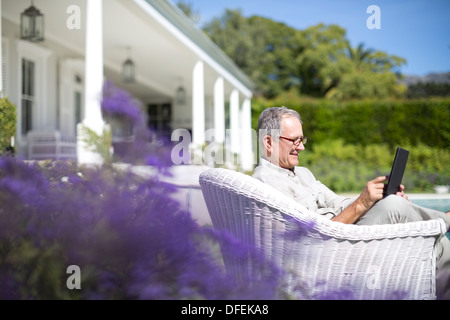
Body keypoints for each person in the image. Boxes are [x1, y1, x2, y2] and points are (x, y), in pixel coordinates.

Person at [253, 106, 450, 299]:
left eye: (302, 139)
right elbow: (311, 235)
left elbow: (338, 202)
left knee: (432, 238)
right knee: (394, 208)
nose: (302, 147)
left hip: (344, 235)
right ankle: (445, 221)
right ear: (269, 142)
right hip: (329, 251)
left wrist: (375, 198)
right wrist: (363, 203)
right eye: (294, 140)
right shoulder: (267, 183)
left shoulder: (303, 174)